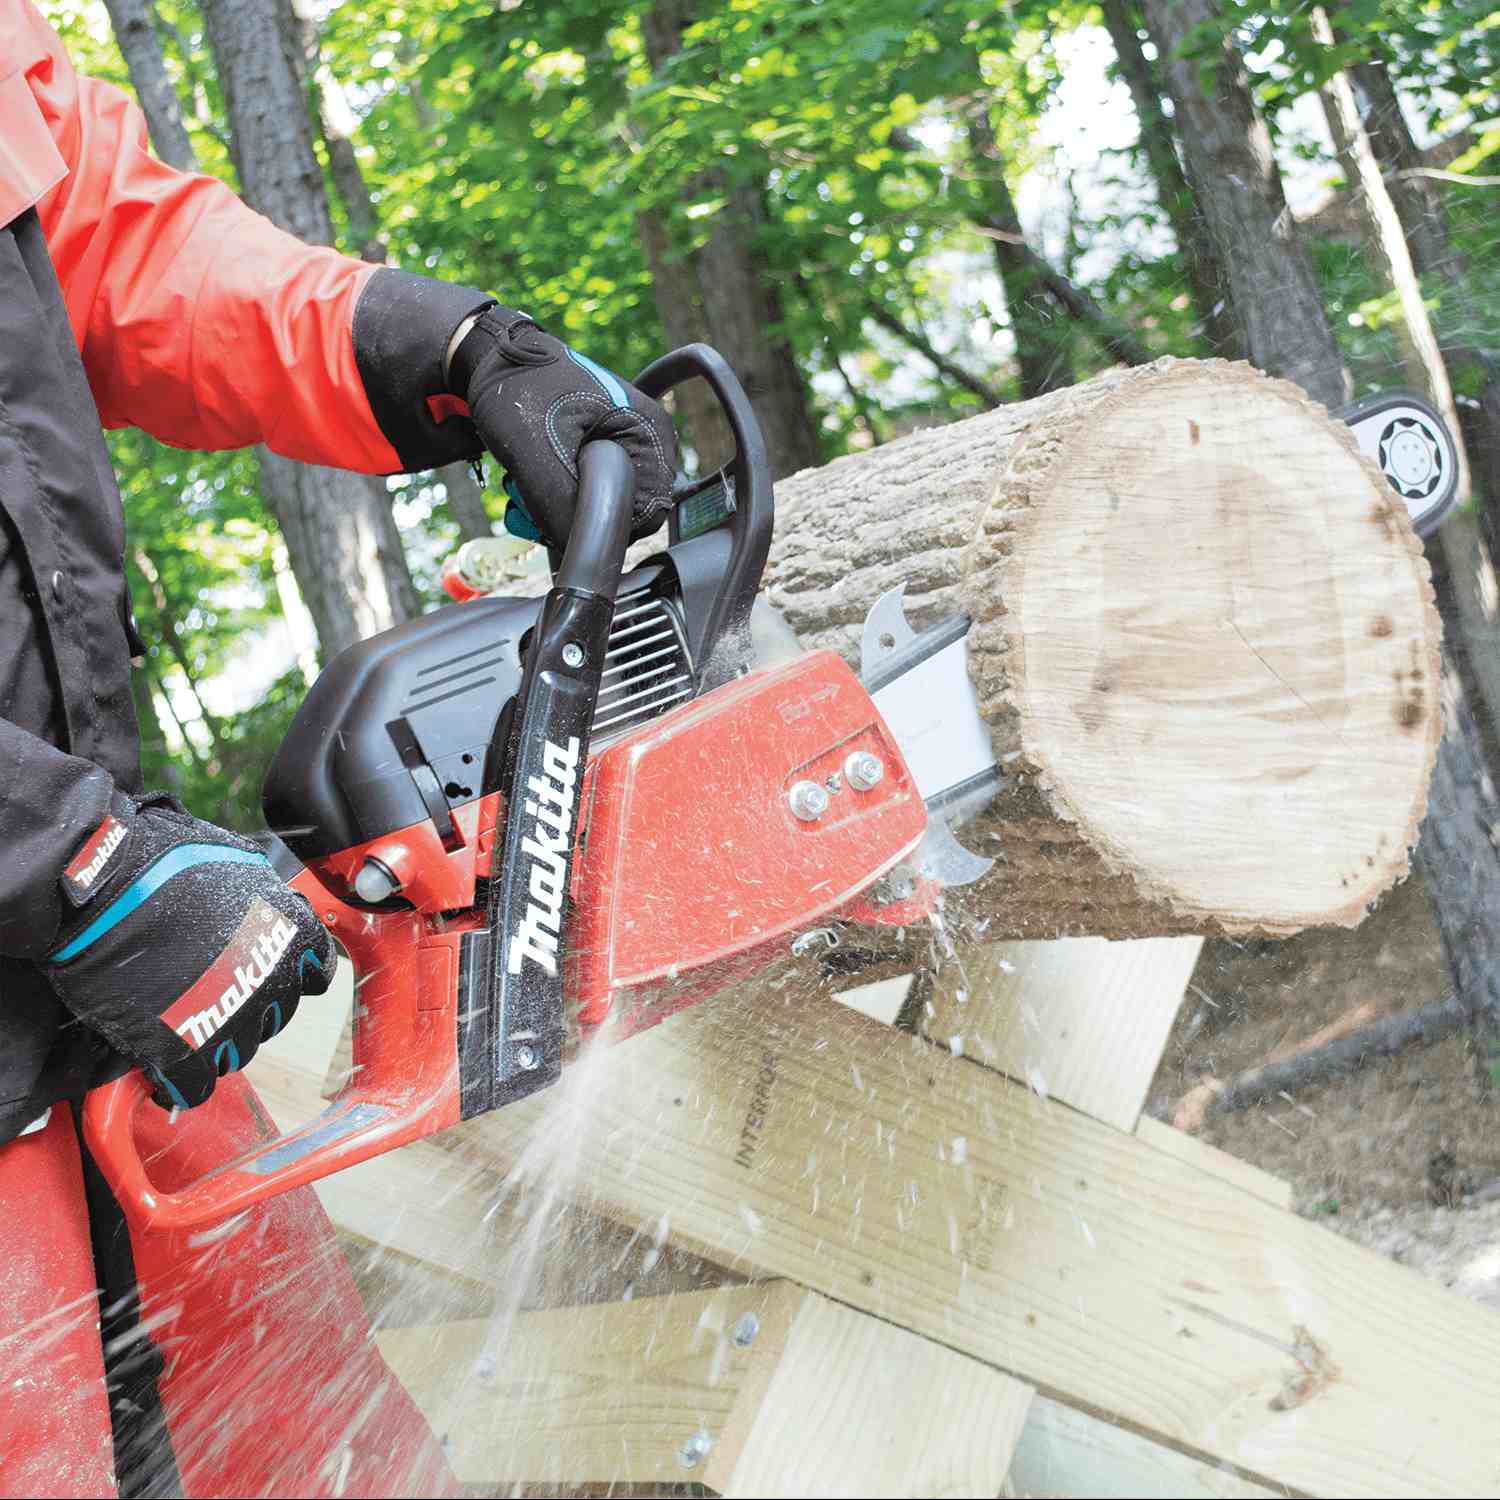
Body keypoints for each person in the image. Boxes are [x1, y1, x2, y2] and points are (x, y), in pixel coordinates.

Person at [0, 2, 679, 1494]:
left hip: (108, 1043)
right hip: (73, 925)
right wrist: (60, 856)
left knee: (321, 1463)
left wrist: (442, 351)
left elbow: (118, 247)